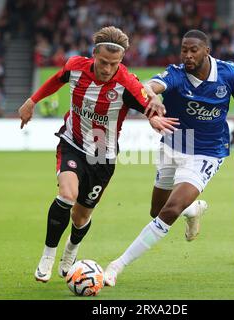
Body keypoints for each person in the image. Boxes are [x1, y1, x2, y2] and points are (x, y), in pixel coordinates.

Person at [103, 29, 234, 287]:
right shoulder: (176, 74)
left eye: (194, 50)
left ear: (207, 51)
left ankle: (117, 265)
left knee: (168, 212)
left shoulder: (229, 73)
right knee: (156, 210)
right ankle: (192, 209)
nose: (188, 55)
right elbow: (147, 85)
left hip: (208, 151)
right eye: (184, 50)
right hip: (174, 143)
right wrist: (154, 96)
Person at [18, 26, 178, 283]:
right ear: (94, 55)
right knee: (66, 195)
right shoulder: (75, 67)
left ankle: (71, 250)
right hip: (72, 142)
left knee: (81, 217)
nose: (107, 68)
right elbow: (54, 80)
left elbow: (148, 104)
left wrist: (155, 119)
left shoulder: (126, 83)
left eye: (114, 64)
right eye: (103, 62)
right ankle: (48, 255)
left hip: (103, 156)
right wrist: (31, 101)